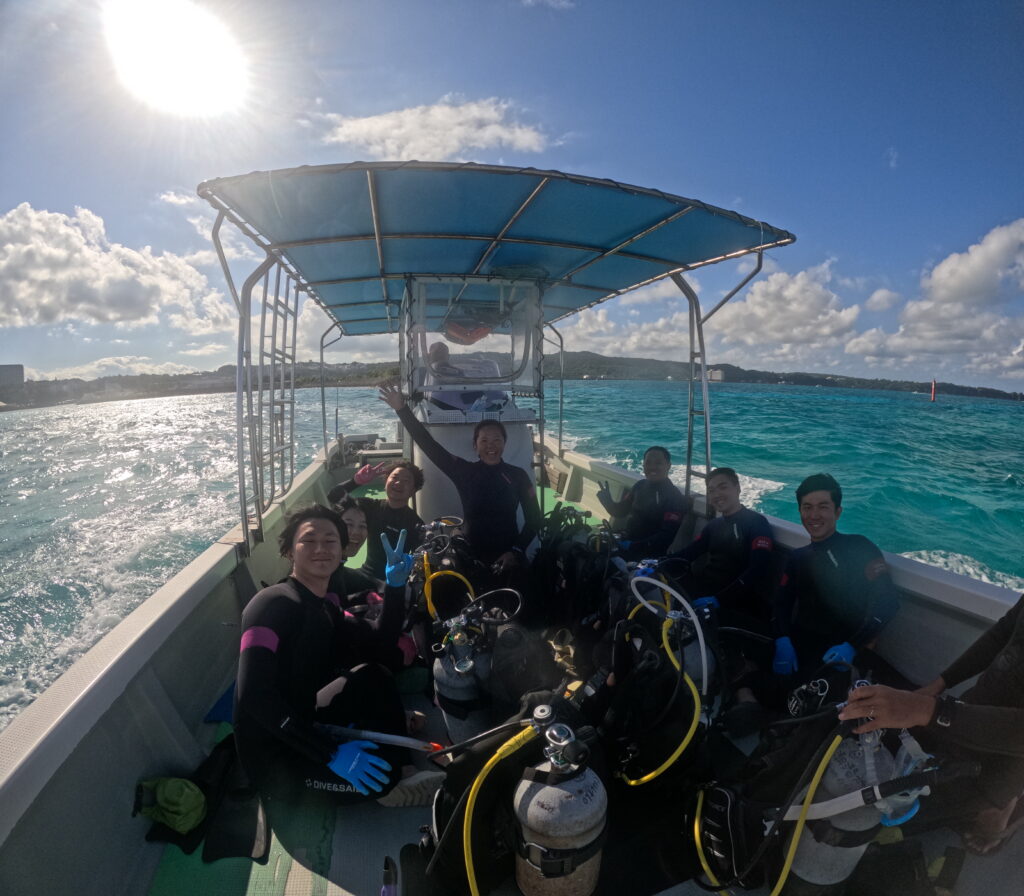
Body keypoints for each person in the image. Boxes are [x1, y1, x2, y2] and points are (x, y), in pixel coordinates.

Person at [233, 504, 435, 806]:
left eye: (330, 541)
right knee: (383, 776)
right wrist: (329, 753)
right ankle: (392, 782)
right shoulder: (271, 605)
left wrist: (395, 588)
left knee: (373, 673)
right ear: (289, 550)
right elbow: (253, 696)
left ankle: (403, 772)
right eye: (309, 540)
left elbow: (380, 642)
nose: (321, 549)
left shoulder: (325, 606)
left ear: (343, 552)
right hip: (275, 753)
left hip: (307, 716)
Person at [839, 591, 1024, 854]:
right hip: (968, 714)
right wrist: (938, 685)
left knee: (876, 825)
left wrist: (929, 711)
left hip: (1002, 763)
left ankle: (1002, 812)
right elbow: (1003, 633)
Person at [379, 382, 541, 578]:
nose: (491, 445)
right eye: (484, 441)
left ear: (504, 443)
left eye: (497, 439)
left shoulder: (518, 476)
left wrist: (516, 551)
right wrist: (401, 409)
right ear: (475, 445)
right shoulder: (464, 471)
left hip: (508, 555)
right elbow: (428, 444)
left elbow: (534, 519)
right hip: (470, 555)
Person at [772, 473, 900, 678]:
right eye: (807, 507)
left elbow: (888, 602)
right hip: (800, 650)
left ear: (838, 512)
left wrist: (852, 647)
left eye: (823, 506)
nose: (814, 515)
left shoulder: (860, 547)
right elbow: (781, 604)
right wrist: (782, 640)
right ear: (800, 511)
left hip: (842, 655)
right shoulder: (797, 558)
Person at [670, 467, 774, 621]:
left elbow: (758, 569)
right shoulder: (713, 526)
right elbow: (688, 553)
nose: (716, 494)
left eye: (723, 487)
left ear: (738, 489)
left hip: (736, 601)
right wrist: (656, 563)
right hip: (705, 595)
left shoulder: (757, 523)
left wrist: (719, 600)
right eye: (711, 490)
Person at [327, 459, 425, 581]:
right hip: (366, 574)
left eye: (406, 481)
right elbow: (333, 497)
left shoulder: (415, 523)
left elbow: (421, 560)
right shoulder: (370, 507)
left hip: (393, 581)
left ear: (413, 490)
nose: (398, 483)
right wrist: (356, 481)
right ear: (385, 482)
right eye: (394, 477)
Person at [595, 446, 691, 561]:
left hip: (648, 556)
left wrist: (632, 546)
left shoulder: (673, 497)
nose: (652, 467)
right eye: (648, 463)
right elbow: (620, 512)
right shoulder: (640, 486)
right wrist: (607, 500)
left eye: (658, 463)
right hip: (627, 544)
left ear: (668, 466)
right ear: (643, 465)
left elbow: (666, 538)